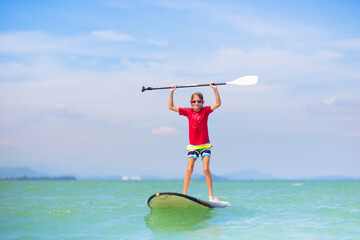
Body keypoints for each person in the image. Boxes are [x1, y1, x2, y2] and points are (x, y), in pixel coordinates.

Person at [169, 83, 221, 202]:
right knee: (189, 169)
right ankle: (184, 195)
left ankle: (211, 196)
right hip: (192, 146)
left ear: (202, 102)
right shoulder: (188, 111)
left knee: (205, 169)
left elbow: (218, 104)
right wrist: (172, 91)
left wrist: (215, 89)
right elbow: (171, 107)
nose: (196, 103)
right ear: (191, 102)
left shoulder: (206, 110)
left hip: (205, 145)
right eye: (194, 101)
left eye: (198, 101)